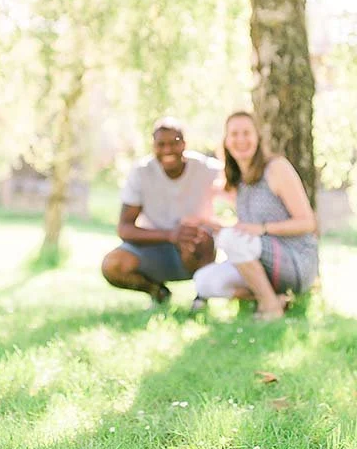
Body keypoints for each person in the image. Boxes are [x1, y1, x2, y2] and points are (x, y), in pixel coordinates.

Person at [192, 112, 318, 320]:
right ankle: (275, 298)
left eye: (246, 133)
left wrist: (263, 229)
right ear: (226, 141)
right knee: (203, 281)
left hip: (296, 261)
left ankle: (270, 307)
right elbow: (246, 229)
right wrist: (211, 224)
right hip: (262, 262)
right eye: (234, 134)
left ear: (258, 137)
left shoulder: (276, 168)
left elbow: (308, 222)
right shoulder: (237, 179)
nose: (241, 140)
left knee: (230, 239)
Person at [101, 117, 222, 305]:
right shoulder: (141, 172)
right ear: (153, 146)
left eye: (174, 143)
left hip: (196, 248)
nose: (167, 150)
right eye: (161, 144)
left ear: (184, 144)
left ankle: (202, 297)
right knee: (112, 265)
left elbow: (237, 180)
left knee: (201, 237)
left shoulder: (205, 168)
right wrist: (170, 235)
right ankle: (158, 292)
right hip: (154, 246)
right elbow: (124, 229)